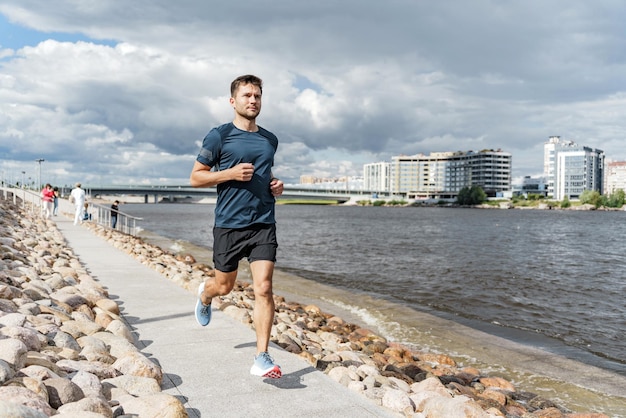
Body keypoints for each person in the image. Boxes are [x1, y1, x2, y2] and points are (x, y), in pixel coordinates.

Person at [190, 74, 284, 379]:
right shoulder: (219, 136)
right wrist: (228, 173)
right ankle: (206, 294)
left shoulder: (270, 139)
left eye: (257, 96)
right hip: (229, 225)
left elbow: (266, 175)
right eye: (247, 96)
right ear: (233, 101)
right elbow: (196, 177)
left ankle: (262, 357)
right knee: (225, 286)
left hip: (262, 223)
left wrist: (276, 186)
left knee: (264, 288)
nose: (253, 101)